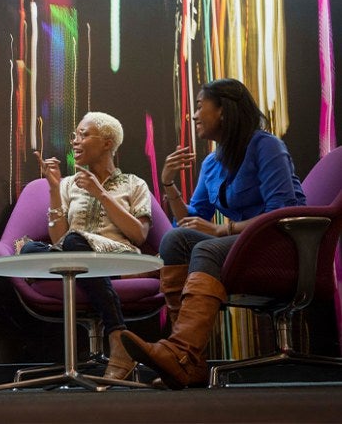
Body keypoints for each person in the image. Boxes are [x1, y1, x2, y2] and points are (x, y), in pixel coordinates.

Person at [120, 78, 306, 390]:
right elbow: (191, 224)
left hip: (282, 245)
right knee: (174, 241)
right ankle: (186, 361)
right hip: (242, 248)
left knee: (206, 249)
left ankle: (181, 354)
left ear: (222, 110)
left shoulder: (266, 146)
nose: (193, 116)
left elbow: (281, 213)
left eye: (198, 106)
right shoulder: (211, 162)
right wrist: (168, 184)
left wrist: (224, 229)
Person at [20, 111, 152, 381]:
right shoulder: (69, 184)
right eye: (75, 136)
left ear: (106, 142)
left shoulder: (134, 183)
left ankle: (116, 334)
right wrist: (55, 189)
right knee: (30, 250)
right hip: (75, 254)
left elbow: (139, 234)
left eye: (84, 134)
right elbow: (58, 239)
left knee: (73, 241)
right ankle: (119, 340)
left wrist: (100, 194)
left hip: (117, 257)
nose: (75, 142)